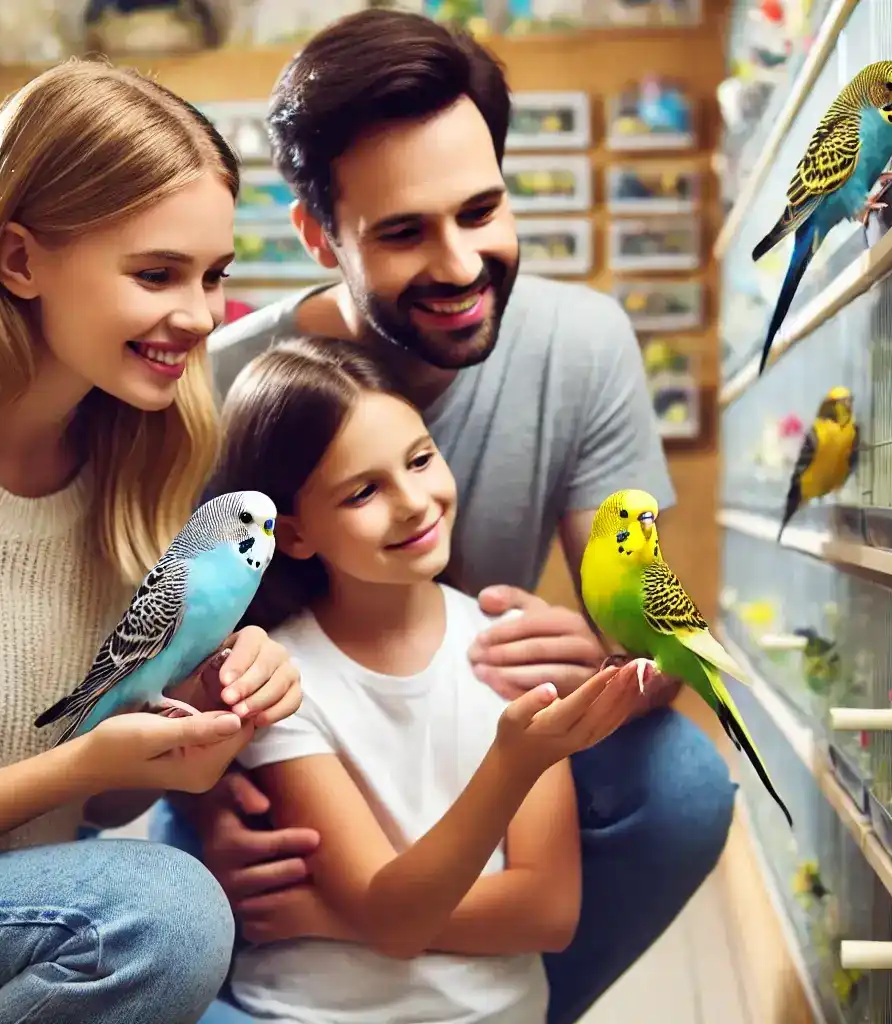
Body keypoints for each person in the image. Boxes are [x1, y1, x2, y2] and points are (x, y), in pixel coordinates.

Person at [153, 9, 737, 1023]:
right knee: (168, 928)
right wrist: (208, 806)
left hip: (467, 733)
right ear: (316, 232)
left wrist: (606, 665)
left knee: (684, 783)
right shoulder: (221, 389)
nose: (463, 265)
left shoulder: (585, 342)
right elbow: (156, 656)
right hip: (277, 771)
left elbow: (656, 627)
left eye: (481, 210)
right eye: (405, 231)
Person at [0, 59, 302, 1024]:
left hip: (21, 935)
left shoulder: (143, 480)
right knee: (164, 911)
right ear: (20, 260)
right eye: (157, 274)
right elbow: (98, 865)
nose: (199, 316)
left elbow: (89, 821)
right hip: (57, 925)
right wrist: (86, 765)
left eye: (213, 276)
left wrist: (188, 705)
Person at [202, 336, 645, 1023]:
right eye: (363, 491)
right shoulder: (282, 680)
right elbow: (397, 917)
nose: (413, 502)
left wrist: (328, 916)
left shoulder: (510, 651)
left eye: (420, 459)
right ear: (293, 535)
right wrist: (513, 763)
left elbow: (548, 913)